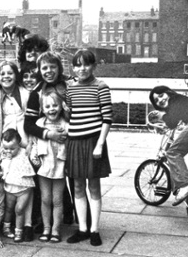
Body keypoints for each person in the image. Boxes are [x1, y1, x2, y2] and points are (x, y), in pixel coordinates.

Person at [65, 49, 113, 246]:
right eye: (77, 65)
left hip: (94, 141)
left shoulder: (101, 86)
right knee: (77, 186)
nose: (81, 69)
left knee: (93, 186)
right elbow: (70, 115)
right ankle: (82, 228)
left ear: (93, 66)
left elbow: (107, 118)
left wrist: (100, 144)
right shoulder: (70, 88)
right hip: (74, 142)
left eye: (86, 64)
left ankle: (94, 230)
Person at [0, 61, 34, 241]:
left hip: (26, 145)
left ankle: (27, 225)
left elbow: (34, 119)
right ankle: (6, 223)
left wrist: (32, 145)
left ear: (16, 75)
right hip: (7, 148)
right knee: (8, 186)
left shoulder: (26, 94)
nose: (6, 76)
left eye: (10, 73)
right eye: (2, 74)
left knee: (27, 185)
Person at [149, 85, 188, 206]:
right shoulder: (180, 101)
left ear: (168, 93)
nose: (160, 100)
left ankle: (185, 185)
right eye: (156, 100)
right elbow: (173, 123)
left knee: (173, 152)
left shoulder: (175, 100)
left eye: (161, 95)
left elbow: (171, 122)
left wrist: (159, 116)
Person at [30, 90, 68, 243]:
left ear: (60, 106)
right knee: (45, 198)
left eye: (55, 105)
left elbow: (70, 144)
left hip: (59, 166)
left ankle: (56, 229)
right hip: (44, 167)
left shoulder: (65, 124)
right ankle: (46, 227)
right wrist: (35, 160)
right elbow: (34, 144)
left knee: (57, 199)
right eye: (47, 106)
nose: (51, 109)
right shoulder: (39, 124)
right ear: (42, 109)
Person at [0, 129, 36, 243]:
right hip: (10, 185)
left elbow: (34, 157)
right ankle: (6, 229)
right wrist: (6, 159)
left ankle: (18, 232)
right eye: (6, 148)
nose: (9, 151)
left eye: (12, 148)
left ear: (18, 145)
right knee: (9, 208)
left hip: (24, 186)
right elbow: (3, 169)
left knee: (19, 209)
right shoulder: (4, 155)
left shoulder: (24, 152)